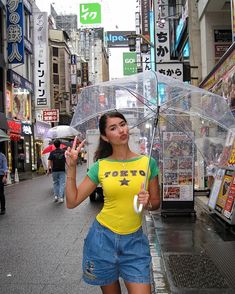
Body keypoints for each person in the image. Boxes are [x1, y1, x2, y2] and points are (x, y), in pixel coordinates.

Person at [65, 111, 160, 294]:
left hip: (135, 243)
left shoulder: (149, 163)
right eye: (113, 128)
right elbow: (72, 201)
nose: (121, 130)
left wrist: (147, 202)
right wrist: (70, 169)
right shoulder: (100, 166)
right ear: (105, 136)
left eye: (123, 124)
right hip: (102, 240)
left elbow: (156, 203)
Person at [0, 149, 8, 215]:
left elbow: (5, 167)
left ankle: (3, 209)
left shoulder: (2, 156)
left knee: (1, 193)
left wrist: (5, 176)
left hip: (1, 176)